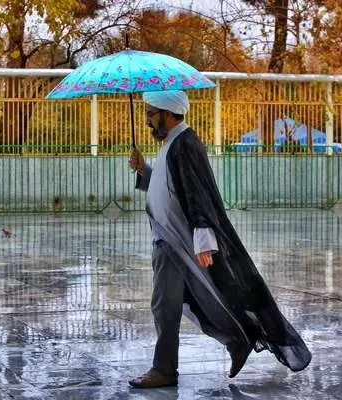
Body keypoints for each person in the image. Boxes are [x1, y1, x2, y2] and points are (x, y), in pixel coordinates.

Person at [127, 90, 311, 389]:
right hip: (170, 240)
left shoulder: (184, 144)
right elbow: (168, 187)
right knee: (195, 300)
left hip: (176, 243)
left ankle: (164, 369)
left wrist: (203, 236)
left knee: (165, 305)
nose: (148, 121)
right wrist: (143, 170)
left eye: (151, 114)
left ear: (168, 113)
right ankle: (237, 339)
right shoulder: (173, 143)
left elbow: (198, 192)